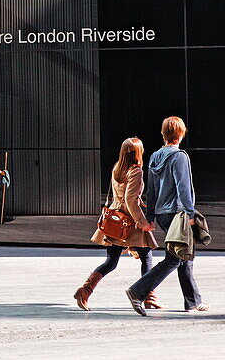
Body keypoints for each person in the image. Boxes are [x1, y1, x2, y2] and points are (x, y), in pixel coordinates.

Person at [126, 117, 207, 315]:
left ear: (164, 133)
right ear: (181, 133)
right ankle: (137, 291)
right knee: (174, 258)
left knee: (185, 255)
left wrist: (151, 213)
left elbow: (152, 189)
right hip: (178, 213)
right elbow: (183, 187)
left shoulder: (155, 156)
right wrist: (190, 213)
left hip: (162, 213)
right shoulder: (180, 156)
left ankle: (192, 301)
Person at [73, 137, 160, 310]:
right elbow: (130, 200)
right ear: (137, 152)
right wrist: (142, 222)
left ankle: (85, 290)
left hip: (115, 219)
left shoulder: (117, 168)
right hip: (130, 221)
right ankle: (148, 296)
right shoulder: (136, 171)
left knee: (111, 261)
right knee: (146, 255)